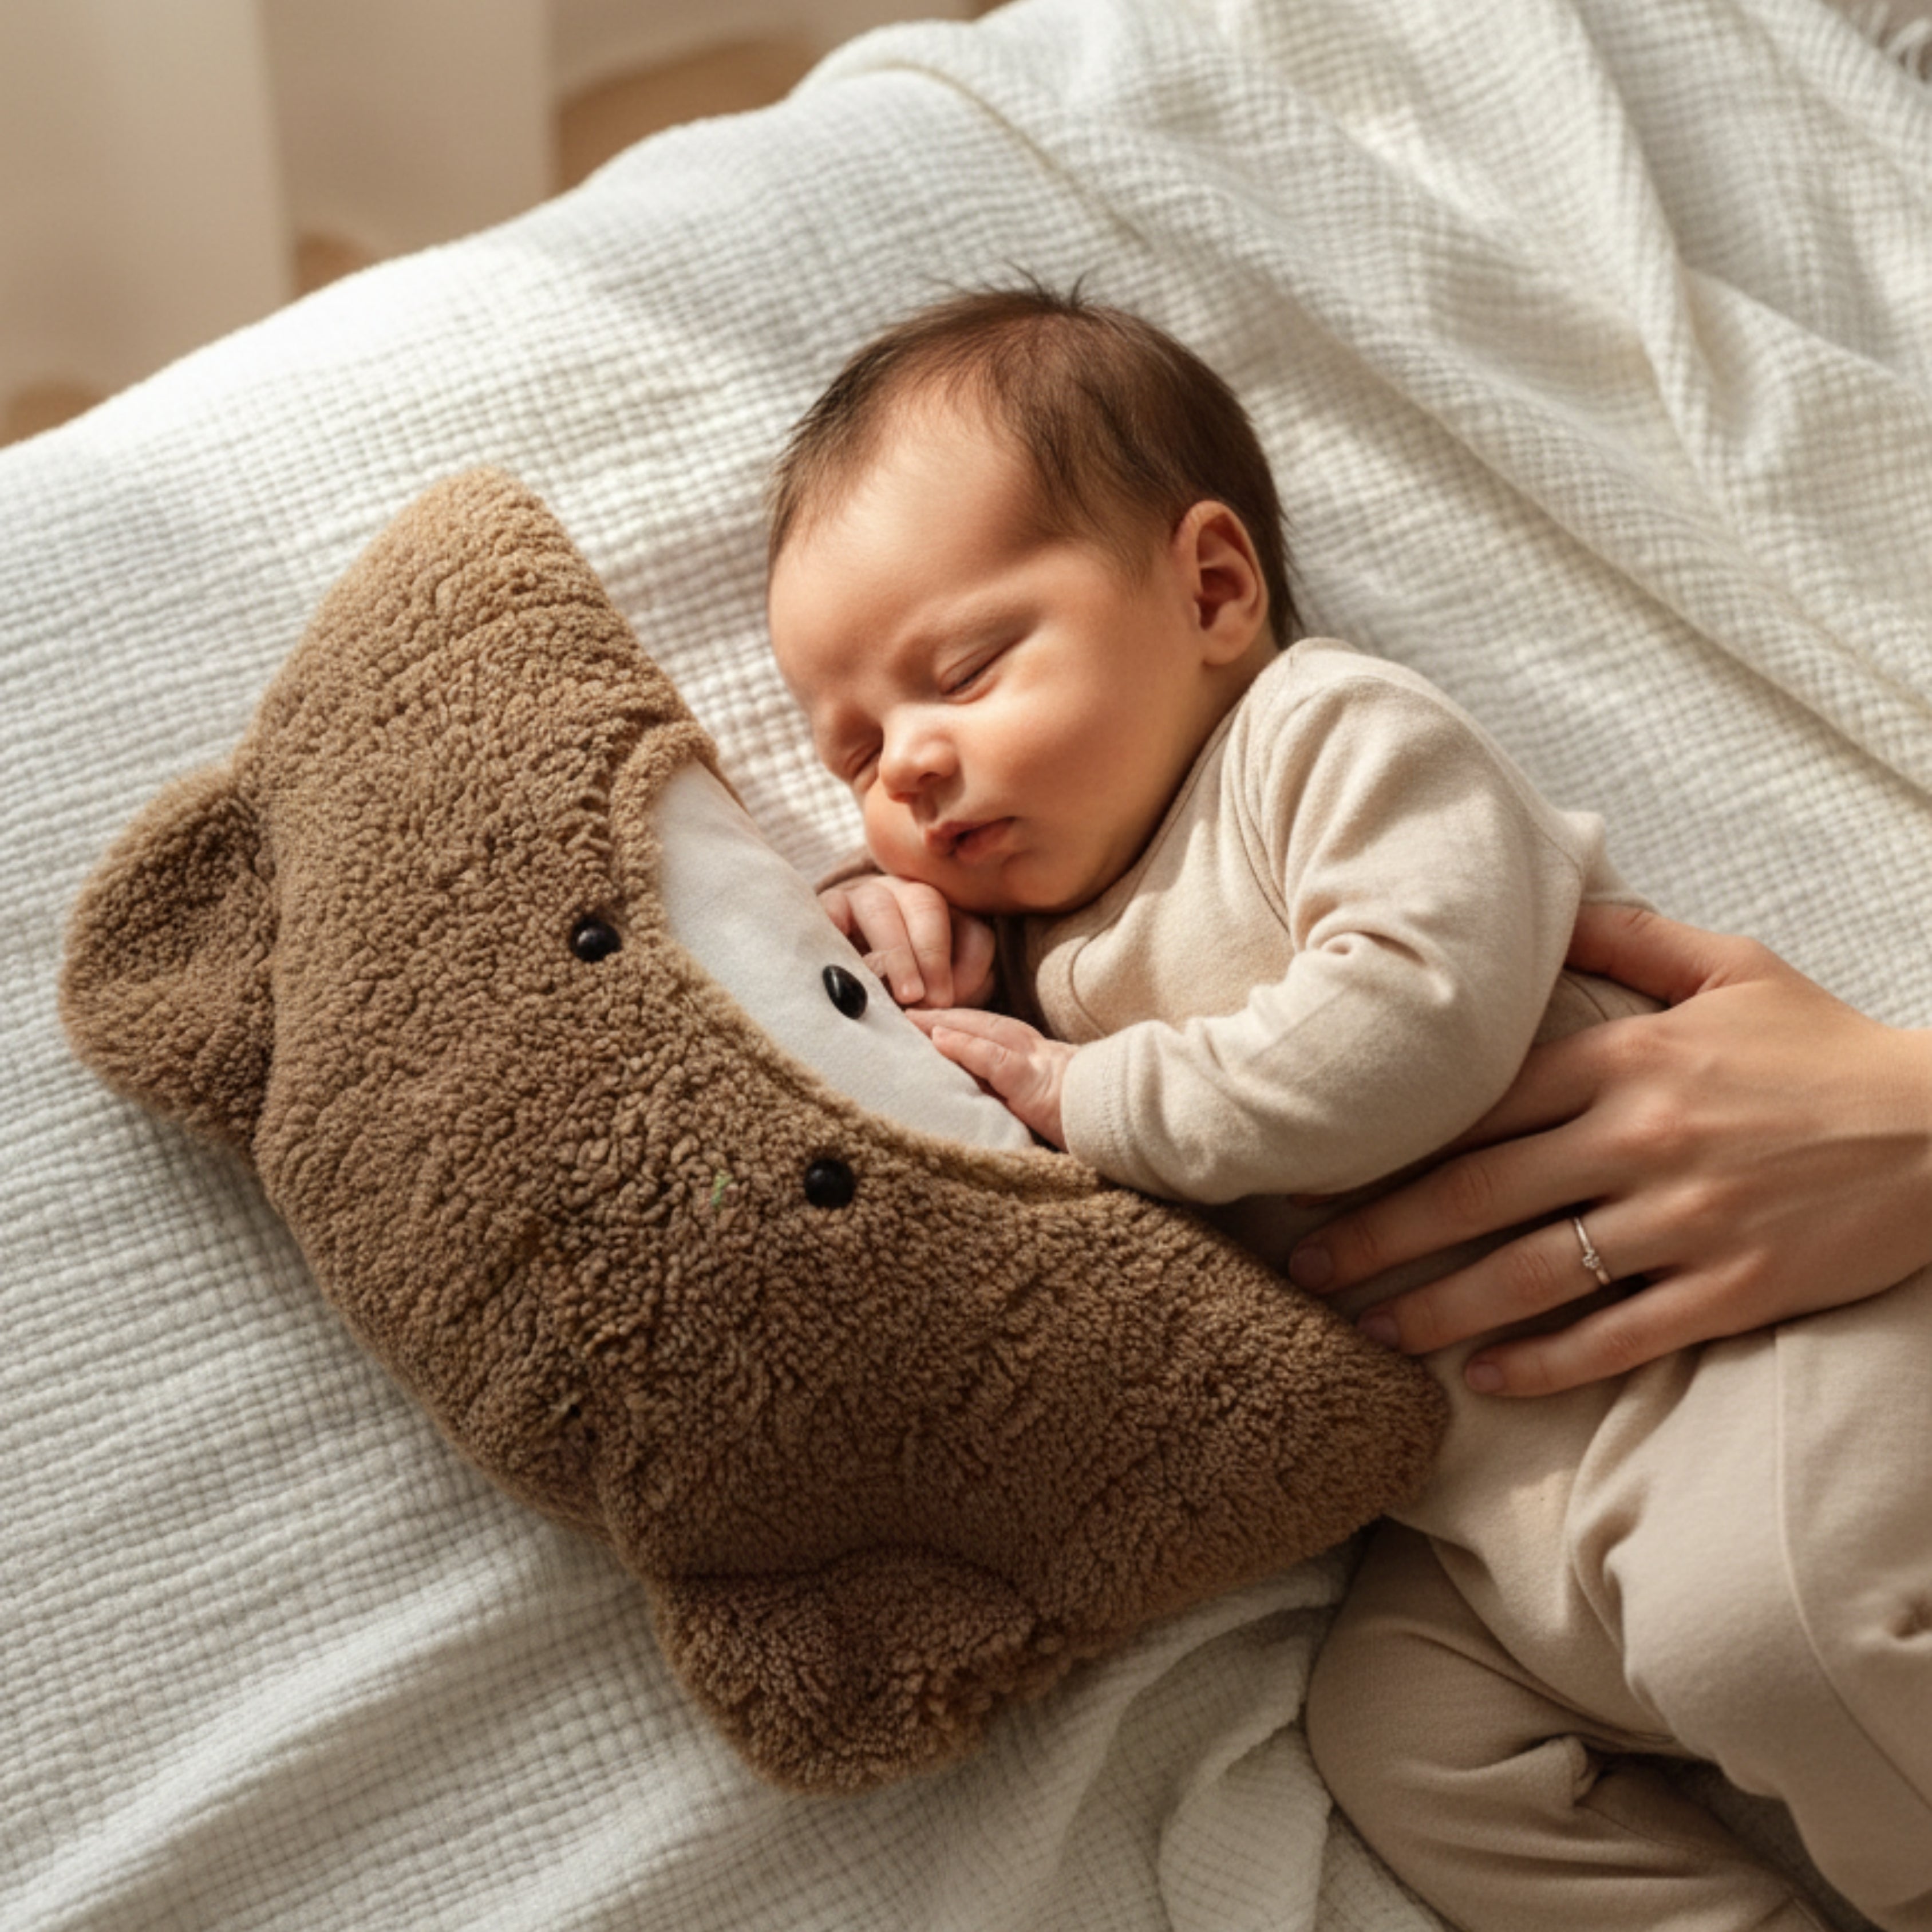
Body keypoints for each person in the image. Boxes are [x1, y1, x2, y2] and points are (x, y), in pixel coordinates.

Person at [765, 282, 1932, 1931]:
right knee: (1398, 1744)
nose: (910, 768)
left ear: (1213, 589)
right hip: (1497, 1509)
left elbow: (1413, 1022)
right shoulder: (1038, 969)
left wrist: (1090, 1090)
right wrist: (879, 936)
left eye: (963, 670)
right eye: (855, 751)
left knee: (1776, 1629)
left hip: (1750, 1368)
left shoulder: (1323, 739)